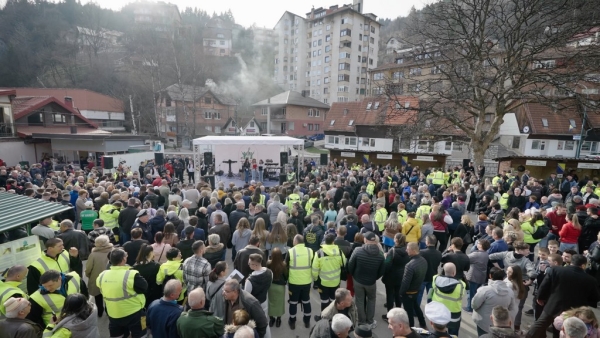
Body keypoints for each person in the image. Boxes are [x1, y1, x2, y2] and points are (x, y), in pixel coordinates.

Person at [526, 255, 600, 338]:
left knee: (540, 324)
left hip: (554, 304)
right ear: (583, 265)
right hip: (574, 310)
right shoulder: (591, 280)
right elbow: (594, 298)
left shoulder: (556, 270)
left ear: (571, 262)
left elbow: (544, 285)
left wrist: (540, 297)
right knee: (566, 329)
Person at [97, 248, 148, 338]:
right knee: (141, 335)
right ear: (124, 259)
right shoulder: (131, 274)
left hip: (114, 314)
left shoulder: (102, 275)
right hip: (135, 313)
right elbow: (144, 287)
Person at [348, 231, 385, 329]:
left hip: (358, 280)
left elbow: (350, 265)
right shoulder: (380, 255)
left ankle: (361, 321)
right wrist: (375, 277)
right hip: (371, 282)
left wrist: (354, 275)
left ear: (365, 240)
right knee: (372, 300)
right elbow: (382, 270)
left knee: (359, 300)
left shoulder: (357, 250)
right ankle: (370, 321)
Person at [472, 268, 516, 336]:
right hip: (501, 324)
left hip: (483, 323)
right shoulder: (510, 292)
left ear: (490, 276)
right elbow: (512, 308)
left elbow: (474, 305)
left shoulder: (484, 290)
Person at [285, 234, 314, 329]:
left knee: (293, 302)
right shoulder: (310, 251)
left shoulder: (290, 251)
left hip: (294, 282)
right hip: (306, 282)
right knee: (306, 301)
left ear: (296, 241)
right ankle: (307, 321)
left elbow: (286, 267)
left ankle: (292, 322)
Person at [428, 263, 465, 336]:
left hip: (438, 312)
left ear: (444, 271)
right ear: (454, 273)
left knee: (437, 332)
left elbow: (432, 288)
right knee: (453, 333)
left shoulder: (435, 278)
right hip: (453, 314)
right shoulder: (461, 284)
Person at [312, 234, 346, 311]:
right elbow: (344, 263)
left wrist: (316, 279)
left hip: (323, 282)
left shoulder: (319, 253)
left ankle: (324, 318)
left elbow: (314, 269)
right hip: (336, 282)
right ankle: (332, 318)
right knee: (333, 300)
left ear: (325, 242)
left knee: (324, 301)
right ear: (333, 242)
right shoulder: (339, 252)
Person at [399, 242, 427, 328]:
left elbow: (406, 282)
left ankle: (411, 328)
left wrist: (401, 292)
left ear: (413, 250)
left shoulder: (410, 265)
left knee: (409, 311)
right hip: (416, 290)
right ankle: (422, 323)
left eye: (407, 249)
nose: (406, 250)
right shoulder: (423, 260)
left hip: (409, 293)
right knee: (416, 307)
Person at [382, 233, 409, 319]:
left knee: (390, 295)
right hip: (402, 276)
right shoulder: (407, 250)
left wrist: (385, 258)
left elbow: (387, 264)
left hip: (391, 276)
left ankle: (390, 314)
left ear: (396, 240)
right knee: (398, 295)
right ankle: (398, 313)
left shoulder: (392, 251)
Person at [85, 235, 113, 317]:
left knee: (98, 296)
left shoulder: (93, 254)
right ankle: (109, 311)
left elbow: (89, 268)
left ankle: (100, 311)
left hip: (97, 277)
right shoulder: (113, 251)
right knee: (109, 296)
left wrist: (88, 274)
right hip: (111, 277)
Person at [245, 253, 273, 322]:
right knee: (264, 319)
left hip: (254, 305)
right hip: (264, 301)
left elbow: (246, 296)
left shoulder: (250, 280)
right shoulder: (269, 272)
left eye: (249, 263)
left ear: (255, 265)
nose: (248, 264)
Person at [464, 239, 490, 313]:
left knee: (470, 293)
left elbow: (466, 259)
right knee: (475, 292)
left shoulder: (476, 254)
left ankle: (469, 307)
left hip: (473, 276)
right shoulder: (485, 254)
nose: (477, 244)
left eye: (478, 243)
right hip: (481, 276)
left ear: (481, 245)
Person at [132, 244, 162, 308]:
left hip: (141, 293)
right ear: (150, 253)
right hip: (153, 293)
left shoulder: (135, 266)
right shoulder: (155, 266)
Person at [267, 247, 287, 328]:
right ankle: (279, 319)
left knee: (270, 303)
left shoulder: (268, 263)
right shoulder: (284, 265)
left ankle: (271, 319)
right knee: (280, 303)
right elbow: (286, 276)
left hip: (271, 286)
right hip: (280, 287)